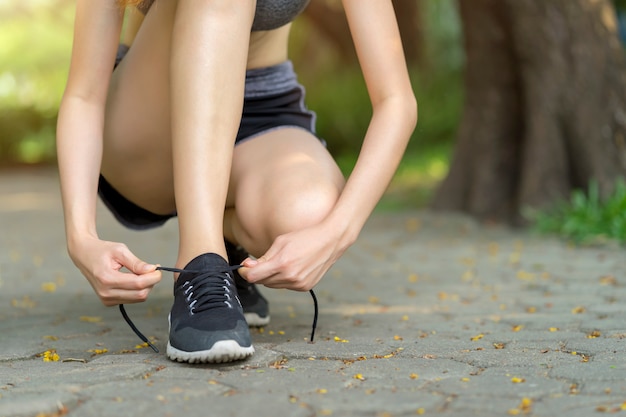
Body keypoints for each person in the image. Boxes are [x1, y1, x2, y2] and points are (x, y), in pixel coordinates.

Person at [56, 0, 417, 364]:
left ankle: (225, 243)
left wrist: (338, 232)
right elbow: (83, 96)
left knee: (309, 212)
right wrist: (80, 238)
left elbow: (396, 101)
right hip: (149, 124)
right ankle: (200, 265)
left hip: (263, 110)